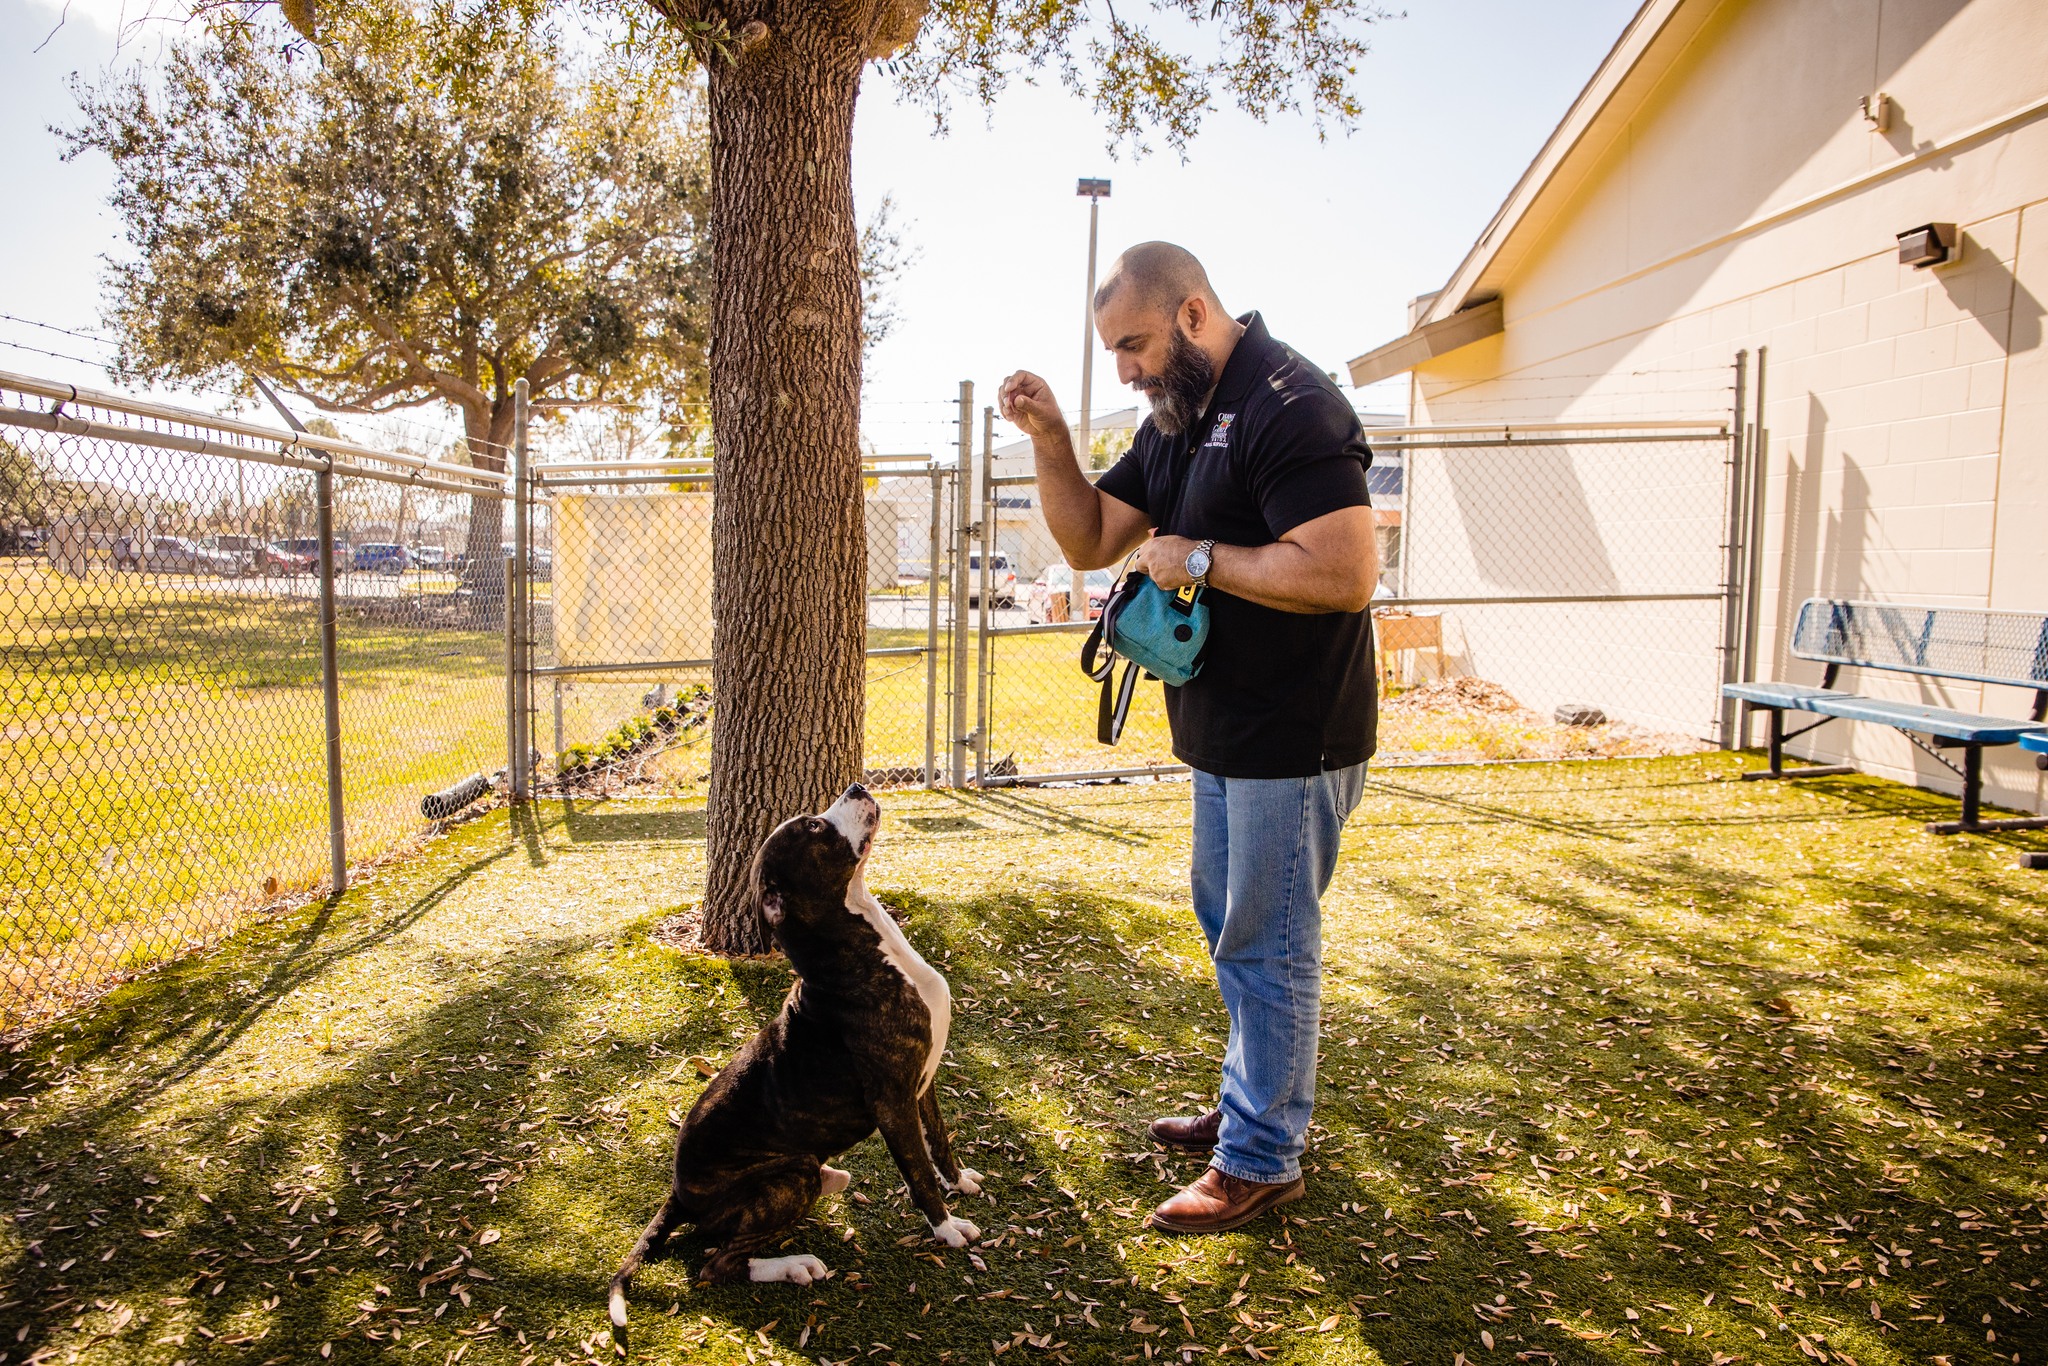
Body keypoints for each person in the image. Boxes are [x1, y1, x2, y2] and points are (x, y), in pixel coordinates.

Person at [999, 242, 1378, 1234]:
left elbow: (1342, 571)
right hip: (1223, 728)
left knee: (1269, 941)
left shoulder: (1291, 404)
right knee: (1236, 931)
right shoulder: (1175, 417)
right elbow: (1088, 537)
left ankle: (1258, 1156)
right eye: (1111, 353)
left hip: (1292, 734)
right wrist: (1047, 437)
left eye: (1133, 344)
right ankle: (1257, 1097)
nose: (1123, 368)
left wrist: (1197, 557)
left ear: (1192, 314)